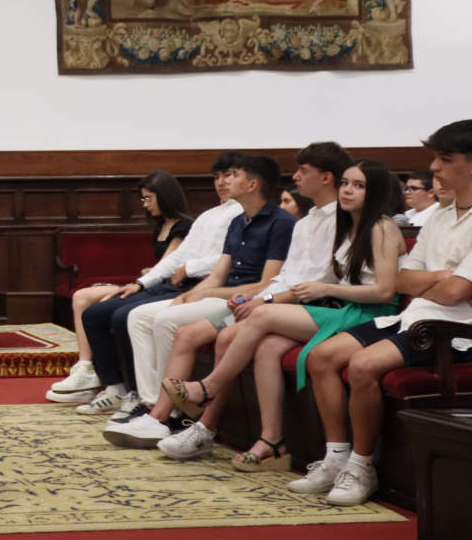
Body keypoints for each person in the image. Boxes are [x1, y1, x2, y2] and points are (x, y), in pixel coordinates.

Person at [297, 121, 472, 505]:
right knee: (322, 357)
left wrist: (448, 283)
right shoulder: (442, 214)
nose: (434, 167)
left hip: (461, 330)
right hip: (417, 318)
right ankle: (336, 456)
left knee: (361, 365)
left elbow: (458, 293)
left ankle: (362, 466)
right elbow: (402, 280)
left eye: (444, 159)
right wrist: (445, 276)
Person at [157, 158, 403, 469]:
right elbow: (302, 277)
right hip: (339, 305)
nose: (348, 190)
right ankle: (272, 441)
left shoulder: (381, 226)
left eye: (359, 185)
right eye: (346, 183)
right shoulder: (348, 225)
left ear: (376, 191)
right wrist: (264, 296)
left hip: (365, 313)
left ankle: (208, 388)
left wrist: (313, 293)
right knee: (267, 345)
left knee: (259, 317)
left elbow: (382, 292)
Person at [105, 154, 294, 447]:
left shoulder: (280, 222)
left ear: (252, 184)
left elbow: (268, 283)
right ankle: (152, 402)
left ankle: (167, 414)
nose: (226, 181)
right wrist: (189, 294)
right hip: (225, 294)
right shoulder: (237, 221)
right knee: (140, 316)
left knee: (168, 321)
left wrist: (207, 293)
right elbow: (219, 274)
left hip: (245, 298)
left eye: (235, 175)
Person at [75, 152, 244, 419]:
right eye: (217, 177)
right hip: (176, 281)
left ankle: (143, 397)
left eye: (229, 175)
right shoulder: (209, 214)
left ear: (251, 180)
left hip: (200, 284)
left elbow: (229, 259)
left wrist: (188, 269)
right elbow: (179, 255)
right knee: (95, 313)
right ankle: (119, 388)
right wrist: (140, 284)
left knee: (124, 316)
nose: (221, 182)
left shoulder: (242, 214)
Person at [48, 171, 191, 404]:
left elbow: (168, 265)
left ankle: (123, 387)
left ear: (165, 196)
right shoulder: (161, 225)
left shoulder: (184, 225)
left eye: (149, 199)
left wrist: (144, 277)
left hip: (162, 286)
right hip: (149, 281)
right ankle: (85, 368)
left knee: (107, 309)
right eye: (143, 199)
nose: (145, 205)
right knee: (82, 297)